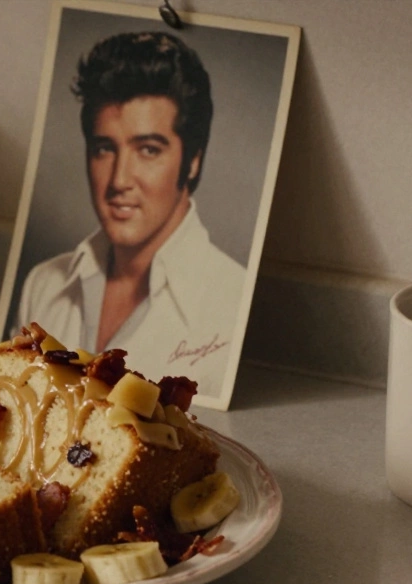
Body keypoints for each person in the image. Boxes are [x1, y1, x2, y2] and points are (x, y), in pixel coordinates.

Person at [17, 31, 245, 398]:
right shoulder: (43, 285)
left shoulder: (234, 307)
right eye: (105, 148)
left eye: (149, 150)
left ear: (193, 161)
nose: (120, 180)